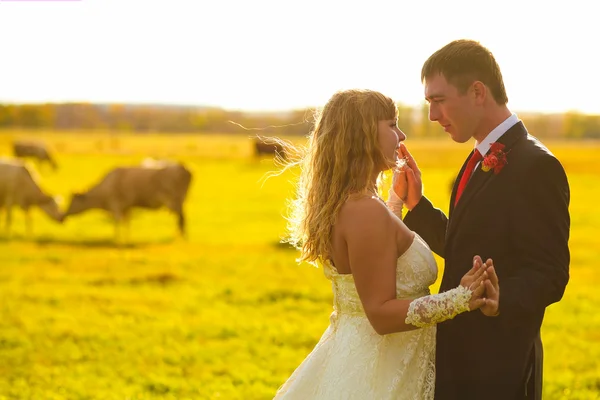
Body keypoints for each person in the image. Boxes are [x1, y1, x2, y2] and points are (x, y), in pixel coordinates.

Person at [273, 89, 498, 399]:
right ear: (363, 134)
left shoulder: (356, 205)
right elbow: (380, 314)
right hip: (381, 371)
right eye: (392, 125)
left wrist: (397, 204)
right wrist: (460, 298)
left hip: (367, 358)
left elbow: (377, 263)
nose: (401, 135)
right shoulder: (365, 210)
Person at [396, 39, 571, 400]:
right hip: (455, 360)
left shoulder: (537, 166)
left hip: (497, 370)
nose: (431, 115)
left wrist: (501, 295)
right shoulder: (477, 156)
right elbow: (467, 245)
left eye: (438, 101)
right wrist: (418, 207)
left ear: (477, 92)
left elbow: (551, 273)